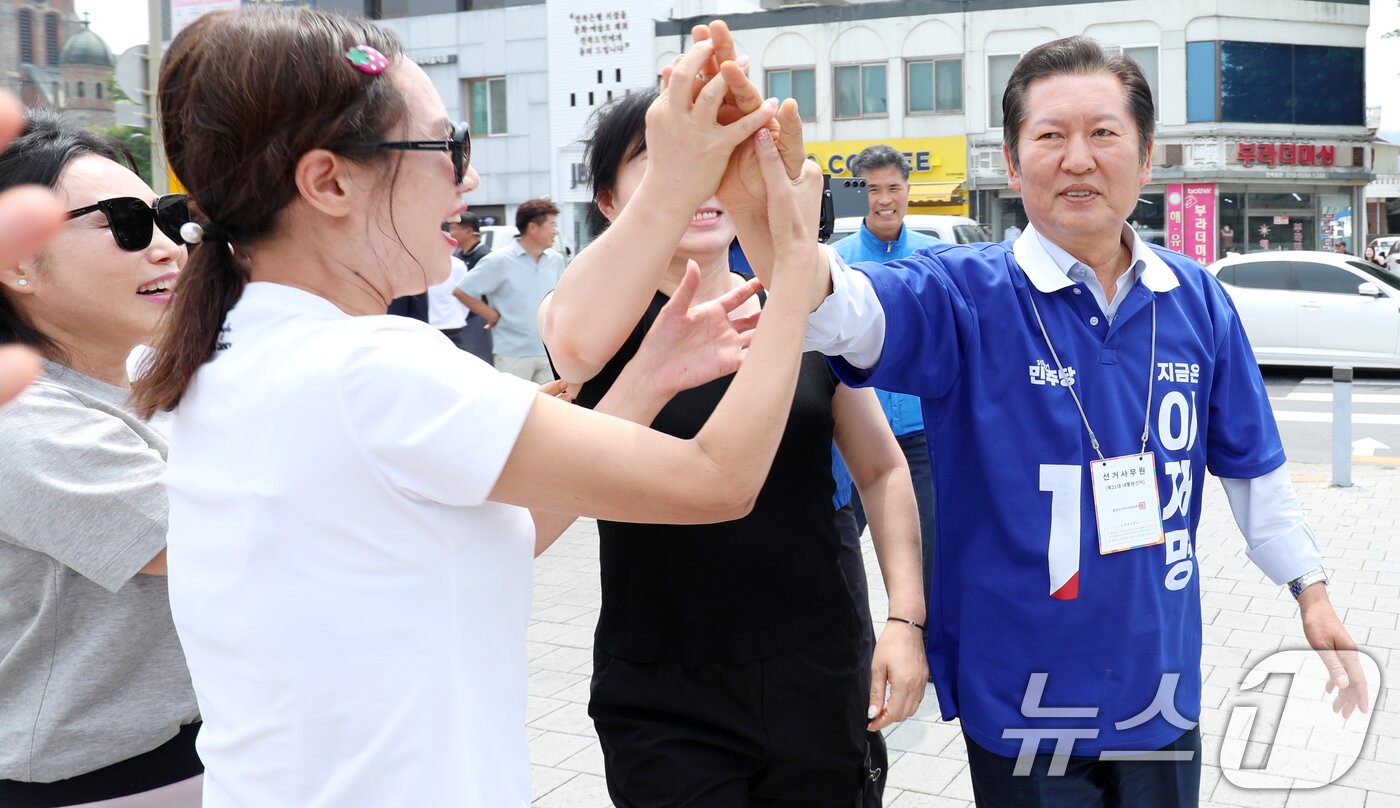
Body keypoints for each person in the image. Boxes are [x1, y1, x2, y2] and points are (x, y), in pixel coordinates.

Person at [130, 8, 819, 806]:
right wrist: (795, 257)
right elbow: (717, 480)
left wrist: (647, 381)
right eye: (446, 145)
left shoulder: (224, 354)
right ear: (329, 180)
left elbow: (504, 531)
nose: (470, 180)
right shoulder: (368, 367)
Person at [712, 31, 1367, 808]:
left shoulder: (1197, 301)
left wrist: (1311, 589)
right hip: (1024, 697)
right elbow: (839, 312)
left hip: (1159, 687)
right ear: (1014, 165)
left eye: (1103, 133)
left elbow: (1253, 467)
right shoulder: (963, 294)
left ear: (1146, 156)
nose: (1078, 158)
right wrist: (776, 222)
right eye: (1050, 136)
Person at [541, 83, 927, 807]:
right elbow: (568, 343)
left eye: (720, 161)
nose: (703, 182)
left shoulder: (798, 306)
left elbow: (880, 468)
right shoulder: (593, 331)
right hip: (663, 686)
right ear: (611, 203)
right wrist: (651, 376)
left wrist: (905, 618)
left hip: (817, 667)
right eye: (666, 163)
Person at [0, 109, 203, 807]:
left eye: (170, 217)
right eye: (124, 221)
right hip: (94, 778)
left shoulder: (149, 382)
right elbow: (218, 542)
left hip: (187, 750)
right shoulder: (23, 420)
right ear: (19, 264)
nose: (169, 248)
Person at [832, 144, 941, 639]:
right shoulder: (834, 261)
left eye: (894, 187)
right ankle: (845, 647)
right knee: (838, 545)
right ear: (856, 195)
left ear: (908, 191)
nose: (884, 199)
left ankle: (930, 644)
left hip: (922, 432)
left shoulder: (935, 257)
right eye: (872, 189)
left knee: (929, 544)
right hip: (852, 436)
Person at [455, 198, 565, 382]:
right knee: (516, 409)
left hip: (549, 352)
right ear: (532, 228)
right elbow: (462, 291)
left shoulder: (555, 260)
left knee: (552, 405)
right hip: (512, 353)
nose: (555, 231)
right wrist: (493, 316)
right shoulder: (499, 260)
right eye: (552, 224)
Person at [448, 210, 493, 362]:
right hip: (461, 317)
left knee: (480, 359)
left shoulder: (484, 255)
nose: (451, 233)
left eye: (454, 229)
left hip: (478, 317)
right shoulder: (458, 254)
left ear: (469, 231)